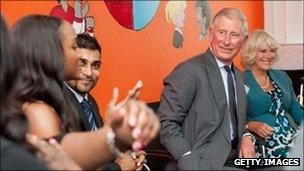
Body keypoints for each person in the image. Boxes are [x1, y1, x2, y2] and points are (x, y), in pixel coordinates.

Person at [7, 14, 159, 170]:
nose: (86, 71)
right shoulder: (38, 113)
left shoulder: (58, 103)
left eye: (95, 65)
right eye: (73, 47)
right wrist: (119, 166)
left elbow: (79, 153)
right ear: (53, 54)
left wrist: (119, 139)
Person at [158, 8, 255, 170]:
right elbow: (166, 123)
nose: (227, 41)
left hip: (238, 159)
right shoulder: (189, 70)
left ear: (243, 41)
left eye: (234, 35)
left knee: (291, 164)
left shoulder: (239, 76)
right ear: (211, 33)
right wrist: (186, 157)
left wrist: (246, 135)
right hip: (204, 161)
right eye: (222, 33)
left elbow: (233, 120)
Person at [0, 14, 80, 170]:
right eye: (74, 47)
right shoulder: (39, 113)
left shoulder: (50, 103)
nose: (80, 55)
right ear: (50, 52)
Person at [63, 33, 147, 171]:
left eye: (95, 66)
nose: (89, 73)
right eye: (81, 64)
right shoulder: (58, 103)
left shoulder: (89, 101)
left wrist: (131, 156)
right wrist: (119, 167)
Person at [240, 29, 304, 158]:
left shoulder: (281, 76)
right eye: (263, 51)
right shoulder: (240, 81)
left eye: (272, 51)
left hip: (294, 137)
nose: (269, 56)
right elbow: (230, 118)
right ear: (252, 53)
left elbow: (294, 108)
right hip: (267, 145)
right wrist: (250, 125)